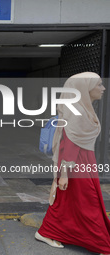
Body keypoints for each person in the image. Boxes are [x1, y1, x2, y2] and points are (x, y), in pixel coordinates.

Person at [35, 72, 110, 254]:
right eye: (99, 85)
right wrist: (64, 174)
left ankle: (47, 232)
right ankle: (101, 244)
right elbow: (68, 144)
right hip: (75, 164)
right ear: (84, 88)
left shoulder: (83, 108)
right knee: (88, 202)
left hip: (83, 161)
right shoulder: (77, 111)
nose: (103, 88)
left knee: (67, 200)